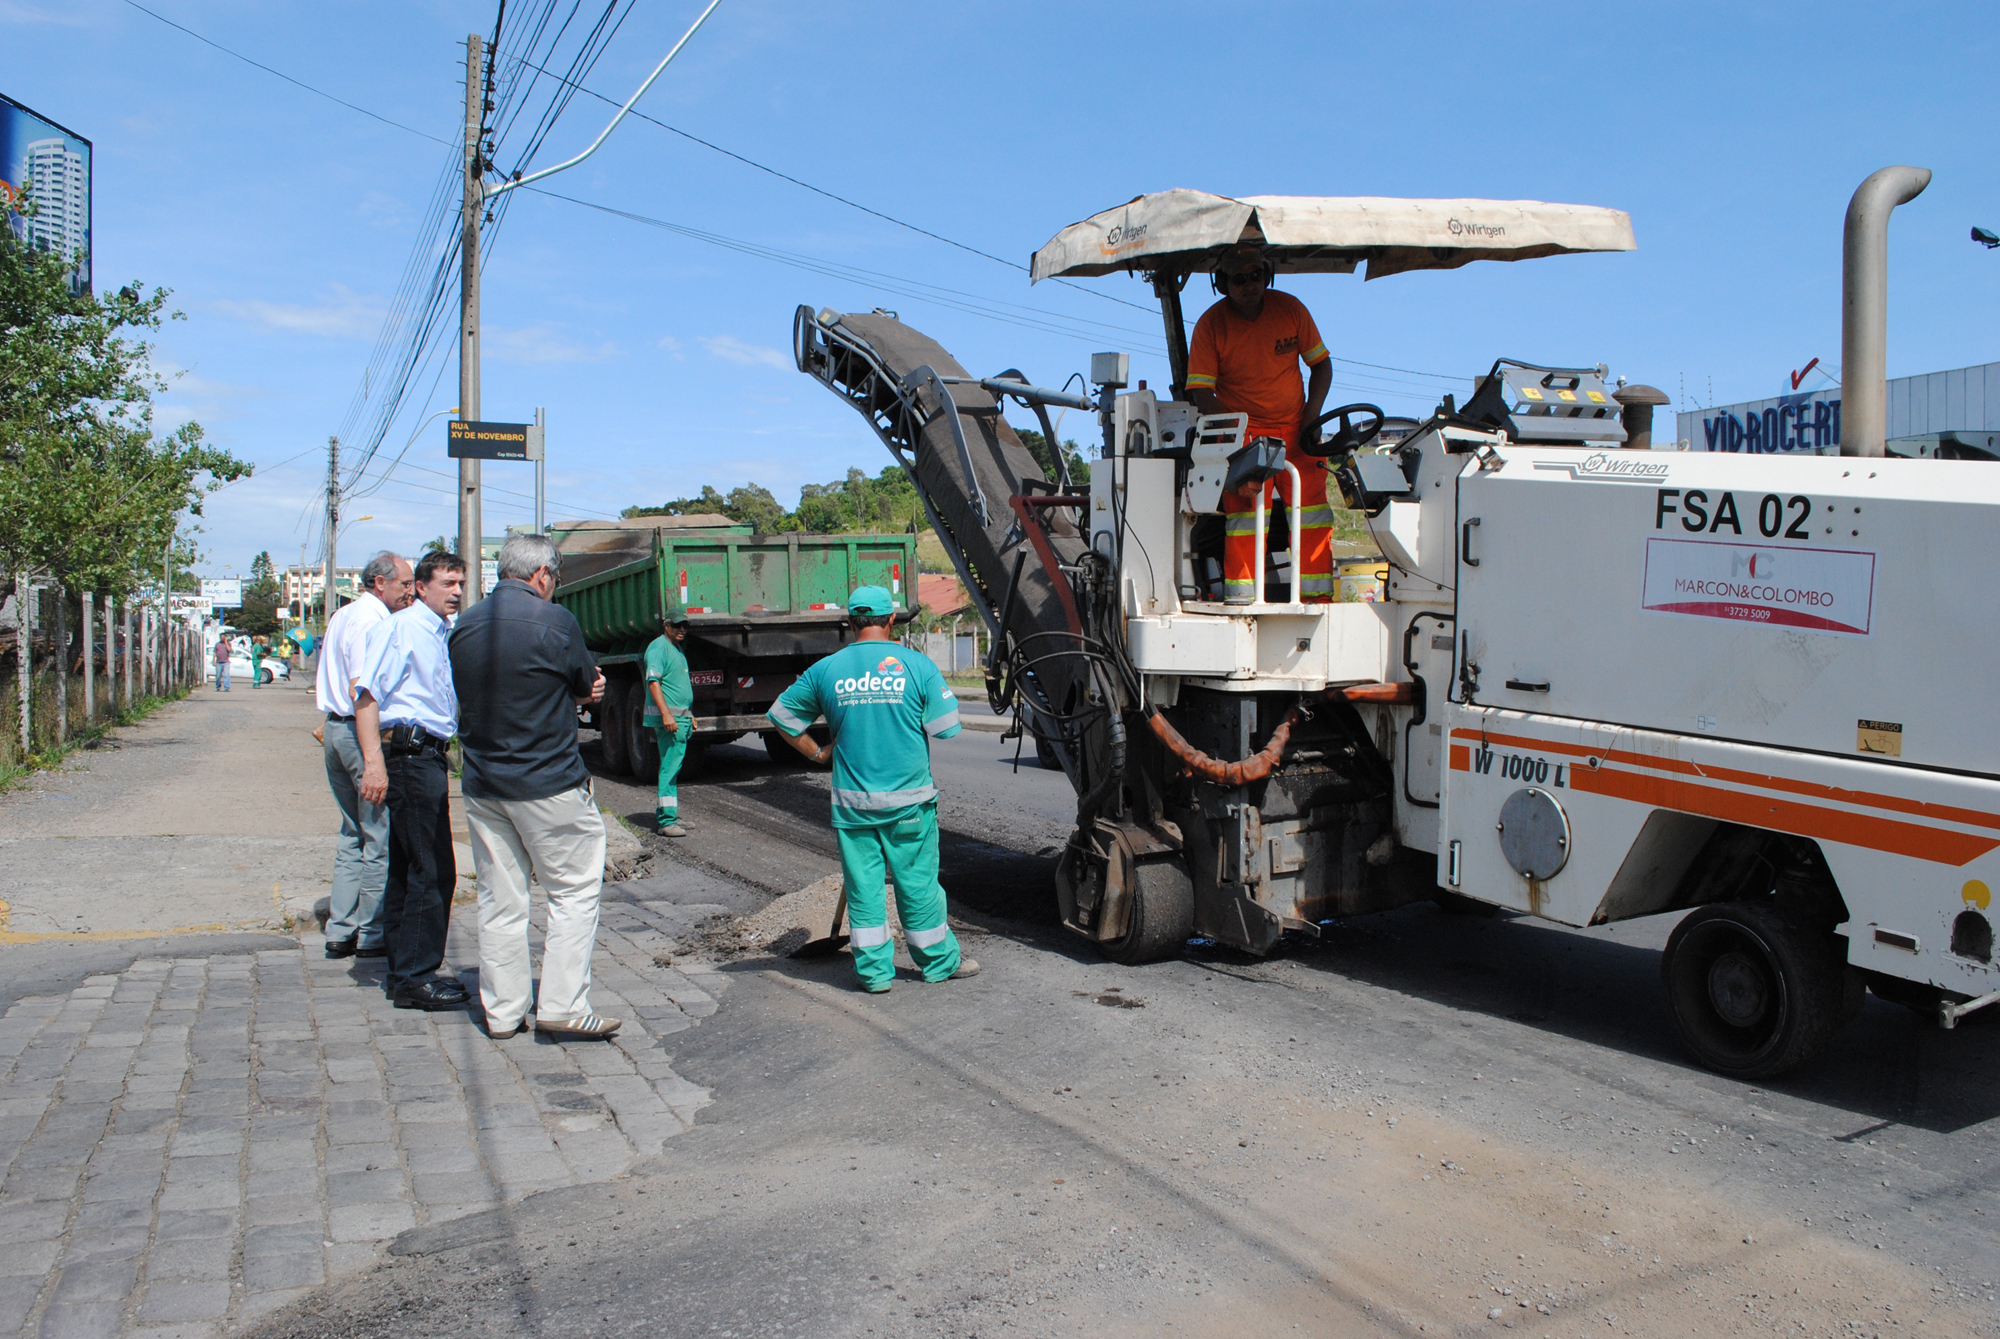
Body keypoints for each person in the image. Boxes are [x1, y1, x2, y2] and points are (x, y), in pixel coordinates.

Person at [766, 586, 977, 993]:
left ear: (850, 623)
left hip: (853, 806)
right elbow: (946, 728)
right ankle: (938, 963)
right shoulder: (917, 666)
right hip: (910, 806)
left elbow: (781, 715)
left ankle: (875, 975)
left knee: (864, 890)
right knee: (917, 886)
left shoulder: (826, 670)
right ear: (891, 621)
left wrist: (816, 751)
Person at [448, 534, 617, 1040]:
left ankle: (502, 1013)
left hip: (483, 783)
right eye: (555, 578)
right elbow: (584, 684)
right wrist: (592, 689)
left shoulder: (464, 625)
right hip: (547, 783)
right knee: (573, 892)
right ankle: (562, 1006)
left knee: (501, 900)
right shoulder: (556, 621)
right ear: (542, 573)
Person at [1185, 244, 1335, 604]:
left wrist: (1312, 418)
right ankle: (1244, 600)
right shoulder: (1211, 325)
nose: (1250, 285)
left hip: (1298, 430)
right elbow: (1200, 391)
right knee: (1246, 516)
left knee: (1314, 513)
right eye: (1240, 279)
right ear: (1222, 283)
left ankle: (1319, 601)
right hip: (1248, 437)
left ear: (1267, 276)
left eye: (1257, 276)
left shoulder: (1291, 309)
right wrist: (1234, 436)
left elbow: (1322, 366)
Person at [354, 551, 468, 1011]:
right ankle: (417, 977)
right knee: (433, 869)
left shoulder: (440, 632)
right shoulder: (402, 628)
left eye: (460, 582)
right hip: (408, 755)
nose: (457, 591)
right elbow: (366, 697)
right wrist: (374, 762)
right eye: (447, 583)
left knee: (406, 867)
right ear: (420, 587)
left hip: (428, 755)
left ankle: (404, 969)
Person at [315, 552, 413, 960]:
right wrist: (375, 759)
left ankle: (341, 929)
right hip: (358, 734)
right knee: (378, 836)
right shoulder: (371, 622)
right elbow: (363, 689)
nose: (410, 591)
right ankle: (371, 932)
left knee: (351, 833)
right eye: (404, 583)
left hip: (336, 729)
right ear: (379, 582)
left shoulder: (343, 615)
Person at [642, 611, 694, 836]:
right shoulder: (658, 648)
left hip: (680, 718)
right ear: (666, 626)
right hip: (671, 722)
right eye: (677, 625)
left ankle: (669, 814)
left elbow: (677, 686)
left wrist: (688, 714)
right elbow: (654, 683)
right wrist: (667, 715)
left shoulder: (677, 649)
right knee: (669, 768)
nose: (682, 629)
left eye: (685, 625)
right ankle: (666, 821)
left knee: (673, 768)